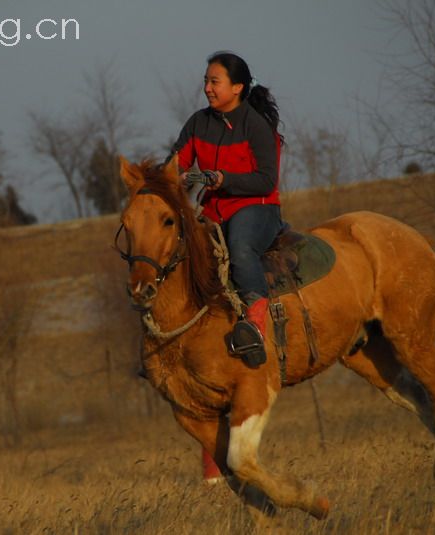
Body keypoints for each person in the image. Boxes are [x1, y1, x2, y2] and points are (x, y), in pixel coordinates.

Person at [168, 51, 285, 484]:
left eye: (215, 81)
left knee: (238, 248)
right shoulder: (197, 123)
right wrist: (174, 178)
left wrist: (220, 179)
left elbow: (266, 180)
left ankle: (256, 320)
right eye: (206, 80)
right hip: (214, 210)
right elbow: (176, 162)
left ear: (238, 87)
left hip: (256, 209)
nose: (207, 87)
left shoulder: (257, 126)